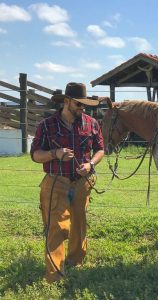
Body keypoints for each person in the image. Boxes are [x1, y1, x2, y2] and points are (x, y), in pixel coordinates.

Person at [30, 82, 104, 283]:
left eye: (85, 105)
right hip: (56, 182)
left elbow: (100, 149)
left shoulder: (92, 123)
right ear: (66, 101)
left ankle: (75, 262)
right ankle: (54, 275)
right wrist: (55, 154)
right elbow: (35, 155)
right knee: (56, 227)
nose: (83, 108)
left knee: (79, 224)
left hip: (82, 182)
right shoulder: (46, 125)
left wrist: (90, 164)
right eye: (79, 104)